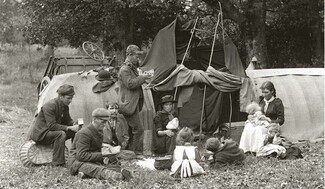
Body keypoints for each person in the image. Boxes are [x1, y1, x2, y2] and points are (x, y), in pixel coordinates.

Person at [67, 108, 132, 181]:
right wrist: (104, 153)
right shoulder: (84, 133)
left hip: (90, 161)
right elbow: (81, 156)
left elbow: (94, 149)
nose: (104, 125)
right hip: (77, 162)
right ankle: (114, 176)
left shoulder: (99, 131)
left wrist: (109, 151)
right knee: (100, 169)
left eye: (106, 122)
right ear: (94, 119)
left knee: (114, 166)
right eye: (103, 122)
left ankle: (84, 174)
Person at [28, 84, 79, 166]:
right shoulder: (50, 105)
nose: (70, 100)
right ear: (61, 97)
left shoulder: (65, 106)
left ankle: (75, 157)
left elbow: (68, 120)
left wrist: (74, 124)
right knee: (60, 134)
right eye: (68, 98)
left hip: (50, 133)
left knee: (76, 132)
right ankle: (58, 163)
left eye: (71, 98)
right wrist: (69, 127)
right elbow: (52, 126)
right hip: (41, 134)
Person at [117, 44, 151, 155]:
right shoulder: (125, 69)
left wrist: (143, 79)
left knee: (133, 130)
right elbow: (130, 84)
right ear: (129, 55)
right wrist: (142, 78)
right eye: (136, 56)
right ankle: (137, 153)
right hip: (128, 105)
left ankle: (131, 153)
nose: (138, 58)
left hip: (133, 103)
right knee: (139, 129)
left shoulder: (131, 67)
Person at [239, 81, 285, 154]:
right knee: (248, 126)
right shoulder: (261, 101)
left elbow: (281, 120)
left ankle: (257, 150)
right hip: (260, 122)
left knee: (258, 129)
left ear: (272, 91)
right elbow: (255, 111)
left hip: (271, 126)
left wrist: (270, 121)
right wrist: (250, 116)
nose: (264, 95)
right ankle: (246, 149)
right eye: (263, 92)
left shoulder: (277, 102)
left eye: (266, 92)